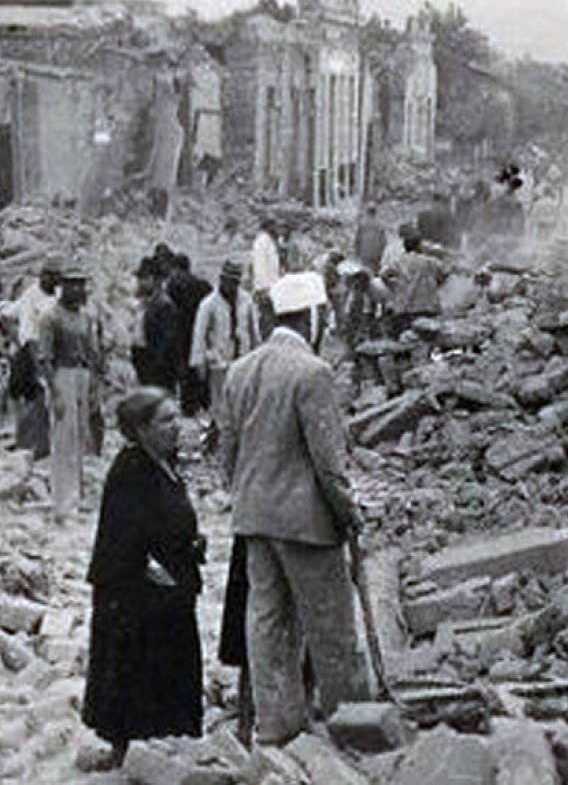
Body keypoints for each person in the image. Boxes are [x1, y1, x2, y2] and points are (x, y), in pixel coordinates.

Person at [219, 271, 368, 747]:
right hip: (306, 524)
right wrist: (349, 512)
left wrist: (246, 495)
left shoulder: (240, 370)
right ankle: (352, 724)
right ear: (313, 317)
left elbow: (227, 453)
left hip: (254, 518)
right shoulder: (313, 373)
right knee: (331, 628)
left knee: (265, 622)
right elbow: (329, 462)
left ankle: (275, 723)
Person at [82, 388, 204, 770]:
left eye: (175, 417)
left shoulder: (165, 462)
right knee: (133, 664)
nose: (176, 427)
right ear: (141, 429)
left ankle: (166, 744)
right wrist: (161, 578)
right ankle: (126, 748)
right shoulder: (129, 470)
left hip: (170, 586)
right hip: (136, 591)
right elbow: (124, 539)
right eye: (165, 421)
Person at [38, 266, 103, 522]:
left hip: (82, 375)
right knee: (63, 438)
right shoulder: (50, 316)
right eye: (71, 283)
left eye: (80, 283)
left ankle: (76, 496)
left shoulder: (85, 317)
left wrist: (95, 384)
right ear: (62, 286)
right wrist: (54, 393)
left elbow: (93, 353)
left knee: (79, 437)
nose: (77, 289)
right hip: (62, 375)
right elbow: (44, 359)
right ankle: (61, 503)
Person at [190, 259, 259, 432]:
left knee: (243, 401)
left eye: (236, 282)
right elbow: (199, 335)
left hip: (243, 360)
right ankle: (222, 435)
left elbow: (253, 331)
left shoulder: (246, 301)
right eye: (229, 281)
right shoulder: (209, 304)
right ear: (222, 279)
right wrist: (199, 362)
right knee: (221, 405)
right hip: (220, 362)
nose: (232, 286)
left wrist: (258, 355)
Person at [5, 256, 62, 458]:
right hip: (29, 348)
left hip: (48, 350)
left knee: (43, 397)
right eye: (45, 274)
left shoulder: (57, 297)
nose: (47, 279)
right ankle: (25, 441)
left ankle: (41, 443)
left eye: (53, 275)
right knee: (24, 394)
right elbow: (17, 318)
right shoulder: (31, 293)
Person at [166, 253, 212, 416]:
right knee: (201, 370)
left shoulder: (173, 285)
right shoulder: (203, 285)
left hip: (182, 334)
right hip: (200, 333)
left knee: (185, 371)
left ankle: (189, 406)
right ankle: (205, 403)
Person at [381, 224, 447, 338]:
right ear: (418, 246)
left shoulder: (399, 261)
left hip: (405, 307)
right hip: (427, 306)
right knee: (428, 339)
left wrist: (394, 286)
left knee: (406, 339)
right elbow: (445, 271)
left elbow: (383, 274)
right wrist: (437, 285)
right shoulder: (428, 261)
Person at [131, 256, 180, 393]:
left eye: (145, 278)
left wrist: (155, 367)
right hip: (143, 360)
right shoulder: (144, 303)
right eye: (140, 278)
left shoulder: (163, 305)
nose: (141, 282)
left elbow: (166, 342)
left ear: (157, 280)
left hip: (156, 366)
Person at [251, 217, 281, 340]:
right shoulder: (262, 242)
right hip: (266, 288)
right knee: (267, 319)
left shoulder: (269, 242)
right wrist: (265, 288)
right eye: (274, 226)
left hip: (272, 287)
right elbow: (260, 267)